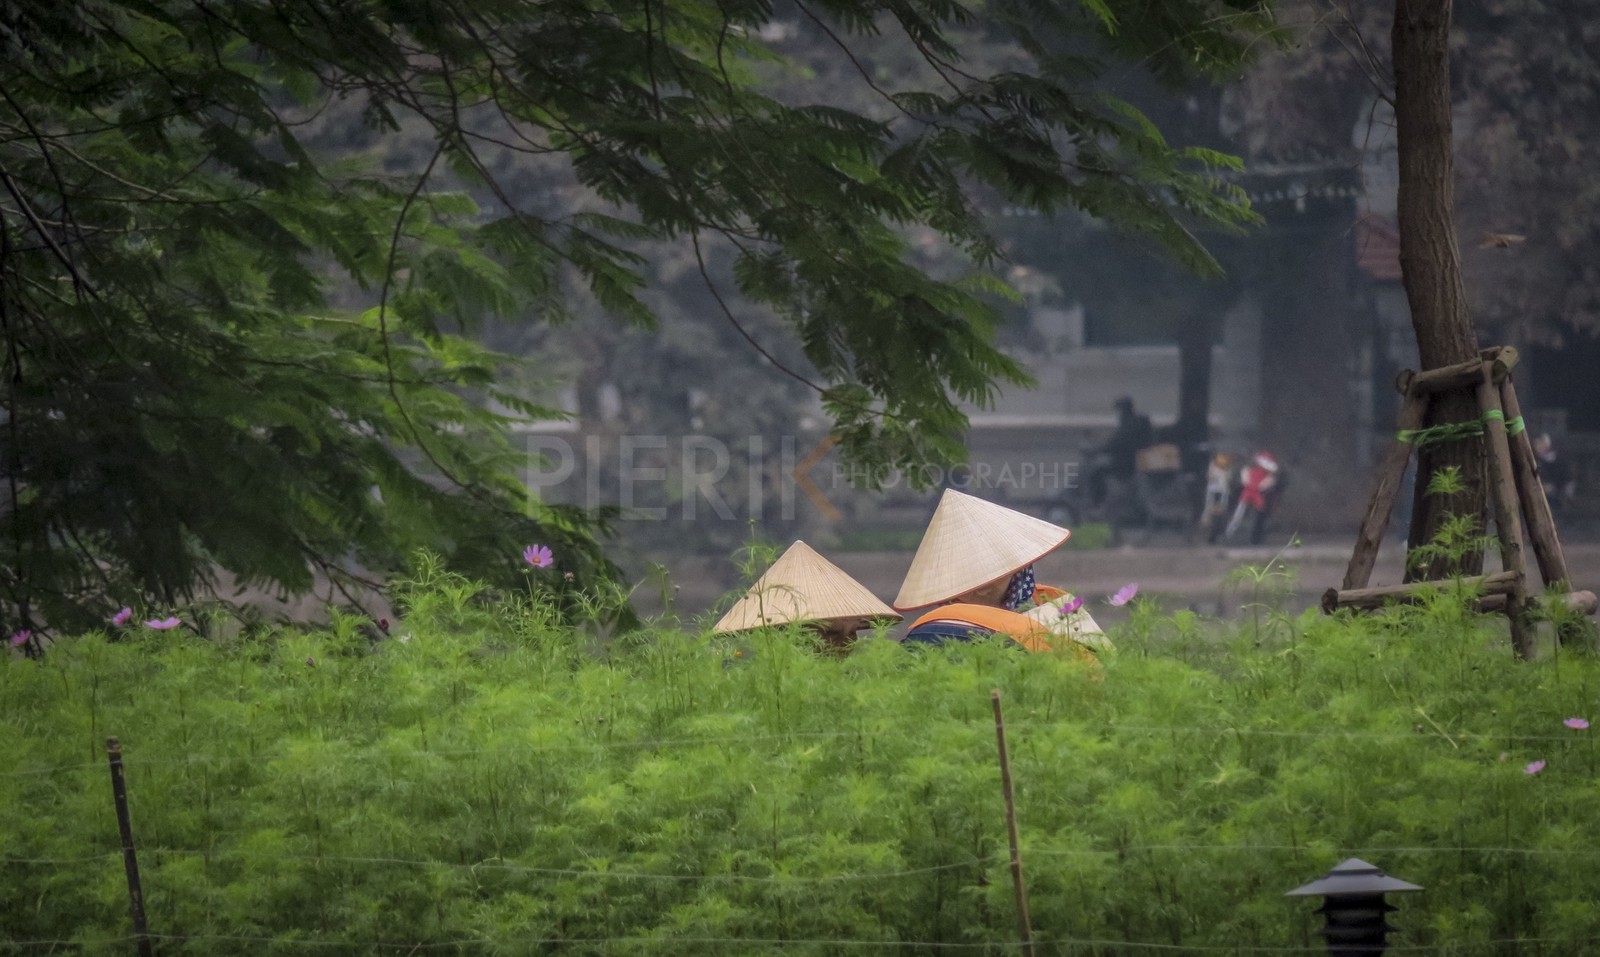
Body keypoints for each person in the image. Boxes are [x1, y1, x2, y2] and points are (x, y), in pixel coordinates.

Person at [893, 489, 1107, 655]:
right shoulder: (932, 635)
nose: (983, 585)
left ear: (1017, 569)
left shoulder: (1059, 613)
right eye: (968, 573)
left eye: (990, 570)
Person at [714, 541, 901, 655]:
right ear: (796, 638)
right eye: (832, 634)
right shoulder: (777, 680)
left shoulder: (862, 684)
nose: (848, 641)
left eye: (853, 633)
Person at [1087, 396, 1154, 507]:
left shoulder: (1129, 424)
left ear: (1122, 409)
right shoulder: (1136, 422)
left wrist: (1096, 450)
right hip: (1132, 461)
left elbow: (1115, 443)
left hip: (1125, 464)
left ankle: (1098, 504)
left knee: (1095, 472)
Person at [1223, 450, 1284, 545]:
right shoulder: (1250, 470)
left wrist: (1263, 485)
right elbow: (1246, 478)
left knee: (1257, 514)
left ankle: (1253, 535)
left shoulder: (1268, 474)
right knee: (1238, 514)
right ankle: (1229, 533)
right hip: (1248, 492)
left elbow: (1270, 480)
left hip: (1257, 494)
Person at [1199, 452, 1235, 544]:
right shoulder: (1213, 467)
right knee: (1209, 511)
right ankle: (1208, 534)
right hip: (1213, 492)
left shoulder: (1227, 469)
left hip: (1222, 492)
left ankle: (1219, 533)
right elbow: (1210, 477)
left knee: (1221, 512)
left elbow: (1228, 479)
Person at [1533, 433, 1575, 512]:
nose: (1537, 446)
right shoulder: (1536, 462)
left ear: (1546, 446)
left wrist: (1558, 492)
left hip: (1557, 501)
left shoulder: (1561, 462)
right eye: (1536, 444)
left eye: (1539, 444)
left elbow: (1568, 481)